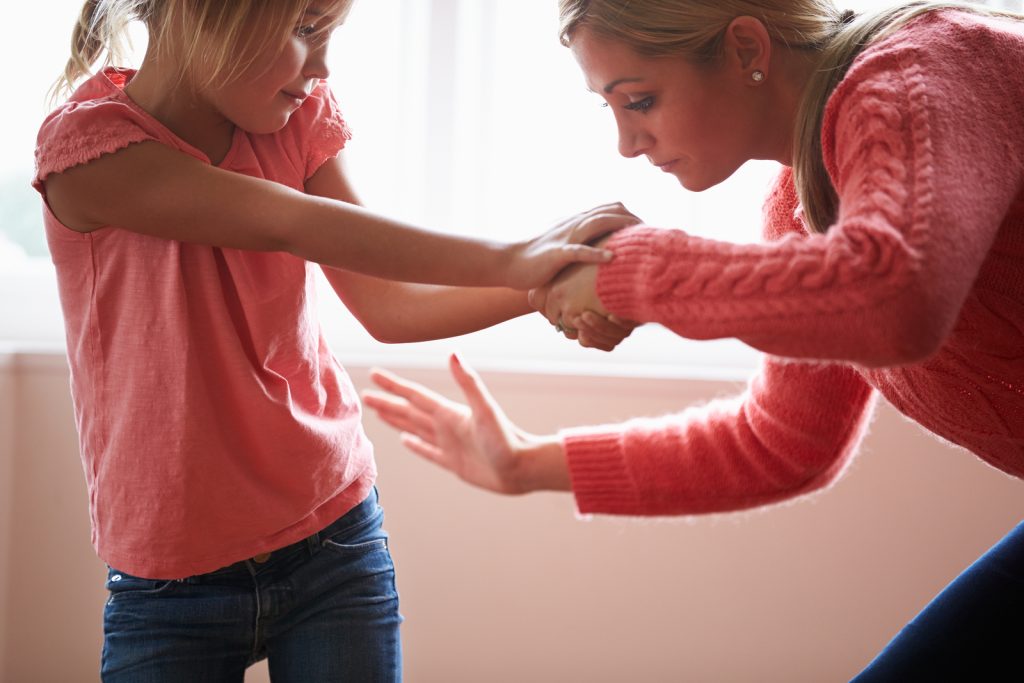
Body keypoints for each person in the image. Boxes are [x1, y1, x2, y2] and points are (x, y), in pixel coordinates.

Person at [361, 1, 1024, 680]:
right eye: (611, 109)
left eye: (640, 100)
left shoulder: (929, 67)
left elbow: (897, 296)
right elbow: (784, 441)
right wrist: (525, 465)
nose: (626, 142)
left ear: (744, 49)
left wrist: (635, 271)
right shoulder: (802, 199)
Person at [31, 0, 638, 680]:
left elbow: (390, 303)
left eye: (331, 34)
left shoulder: (296, 118)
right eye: (306, 29)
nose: (322, 66)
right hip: (170, 586)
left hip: (333, 542)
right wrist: (523, 254)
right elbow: (289, 222)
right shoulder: (90, 151)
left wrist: (551, 282)